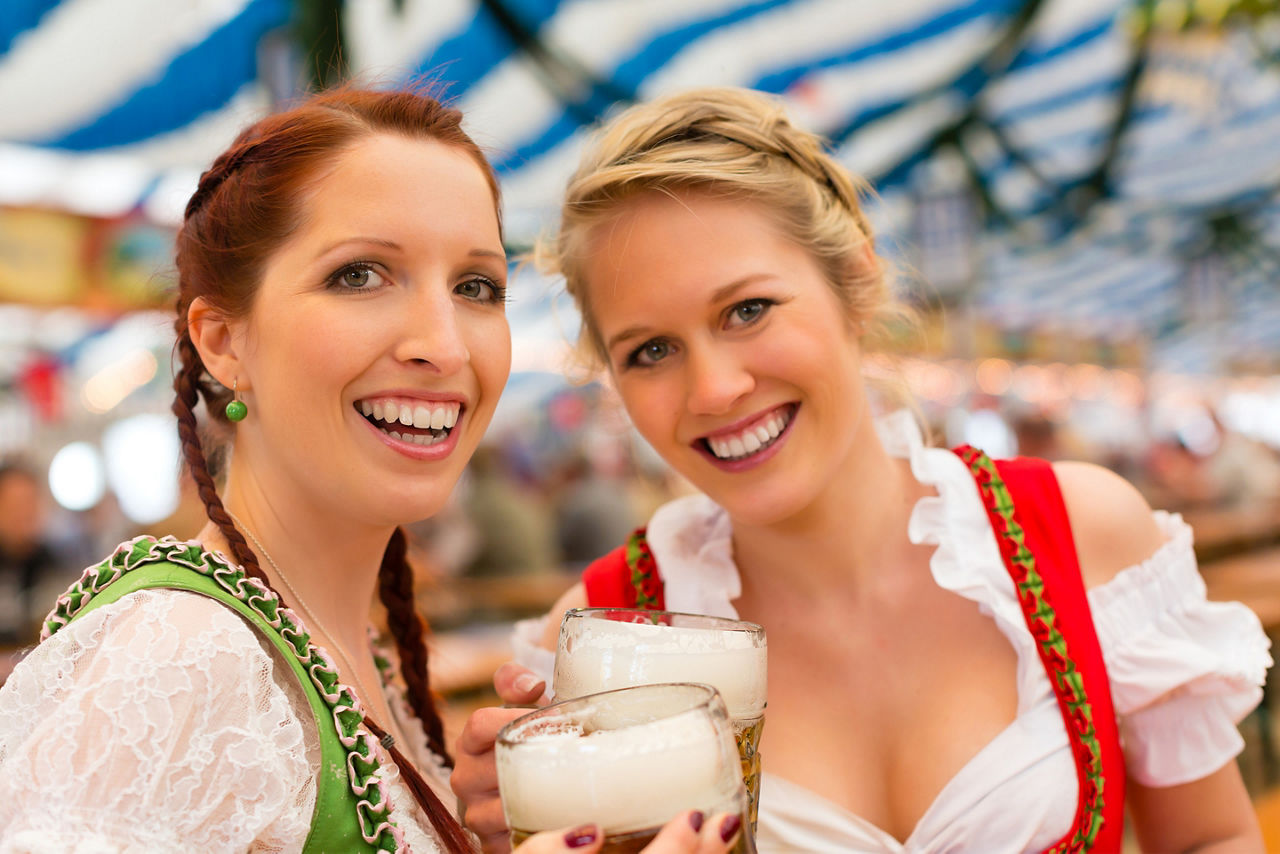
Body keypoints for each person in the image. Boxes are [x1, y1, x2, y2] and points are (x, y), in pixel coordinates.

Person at [451, 87, 1271, 853]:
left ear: (855, 280)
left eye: (748, 310)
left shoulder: (1082, 531)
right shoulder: (599, 638)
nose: (714, 389)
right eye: (651, 350)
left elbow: (1210, 838)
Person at [0, 87, 739, 854]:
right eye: (360, 275)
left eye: (476, 286)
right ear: (222, 341)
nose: (445, 346)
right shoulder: (178, 656)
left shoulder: (342, 647)